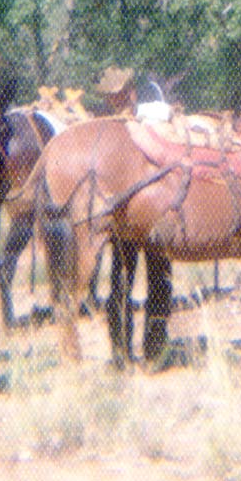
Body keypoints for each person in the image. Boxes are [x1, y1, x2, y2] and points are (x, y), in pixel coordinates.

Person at [93, 66, 175, 368]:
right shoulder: (109, 128)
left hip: (153, 212)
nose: (113, 102)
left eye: (118, 96)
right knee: (120, 280)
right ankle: (120, 352)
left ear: (131, 93)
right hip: (124, 216)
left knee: (158, 277)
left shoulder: (152, 119)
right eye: (110, 97)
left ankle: (155, 348)